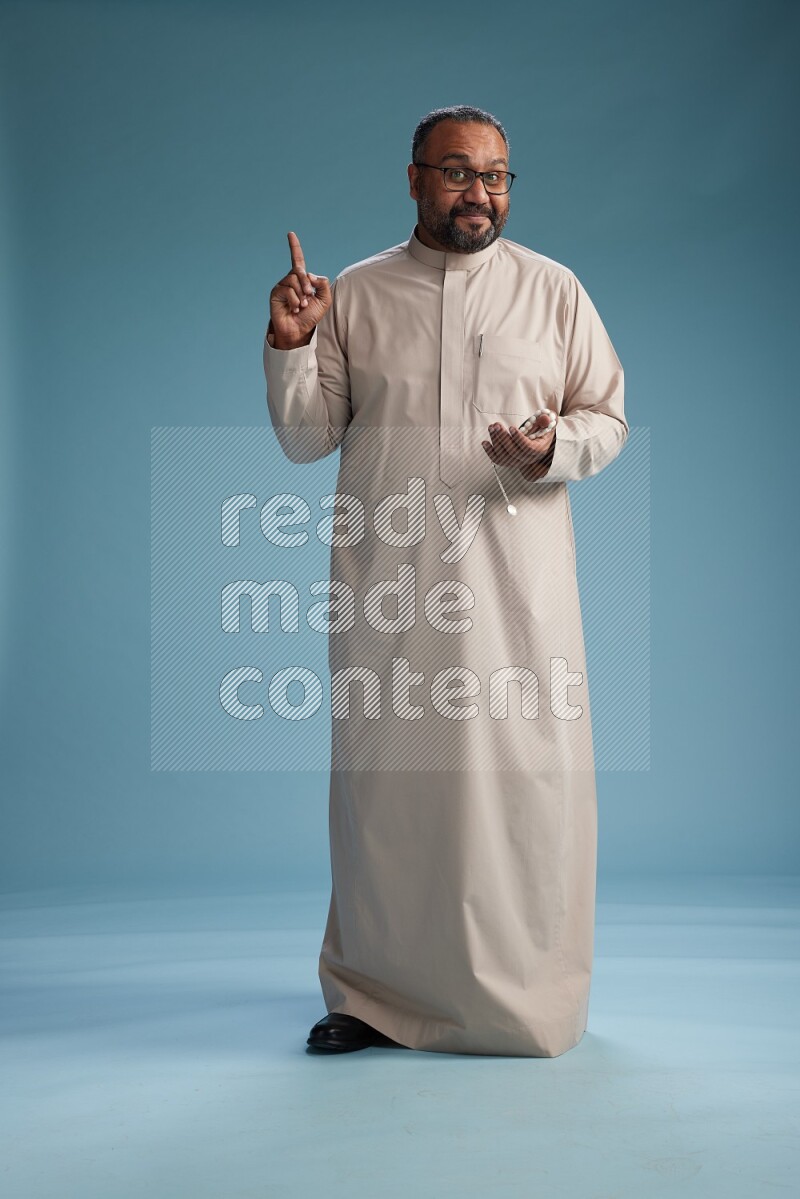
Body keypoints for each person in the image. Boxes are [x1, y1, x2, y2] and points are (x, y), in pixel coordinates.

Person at [263, 104, 628, 1057]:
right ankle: (374, 995)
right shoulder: (359, 292)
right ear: (415, 177)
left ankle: (527, 997)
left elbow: (608, 418)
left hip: (517, 590)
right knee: (387, 792)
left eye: (498, 175)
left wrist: (552, 447)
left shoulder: (554, 290)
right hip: (391, 584)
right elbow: (307, 439)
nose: (481, 193)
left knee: (523, 788)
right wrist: (294, 342)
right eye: (460, 172)